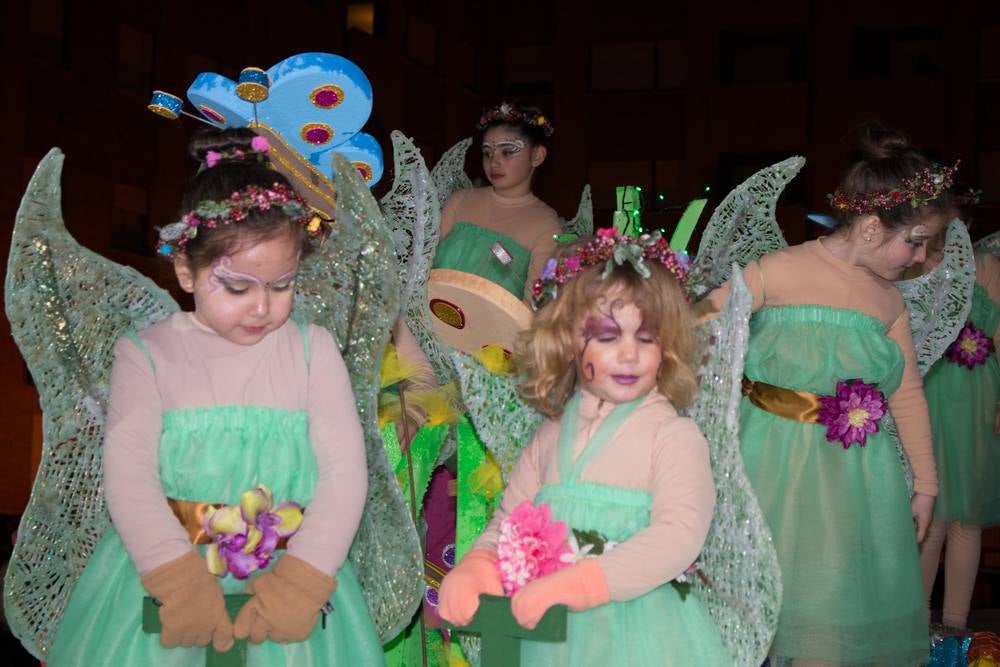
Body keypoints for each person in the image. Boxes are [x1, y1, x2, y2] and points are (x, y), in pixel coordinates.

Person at [46, 129, 384, 666]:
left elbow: (345, 472)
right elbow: (129, 476)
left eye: (282, 285)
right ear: (186, 271)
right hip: (167, 579)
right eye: (236, 287)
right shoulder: (146, 354)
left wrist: (304, 578)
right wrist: (175, 577)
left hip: (288, 584)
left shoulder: (312, 350)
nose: (261, 307)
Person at [699, 124, 950, 665]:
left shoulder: (889, 304)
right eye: (915, 240)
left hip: (853, 480)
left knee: (831, 599)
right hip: (765, 460)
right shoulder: (777, 271)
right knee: (755, 591)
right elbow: (702, 324)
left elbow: (906, 395)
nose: (920, 257)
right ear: (869, 227)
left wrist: (926, 484)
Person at [438, 230, 731, 665]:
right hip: (551, 637)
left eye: (646, 338)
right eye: (609, 336)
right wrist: (480, 563)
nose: (630, 355)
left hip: (640, 634)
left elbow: (679, 536)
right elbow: (510, 521)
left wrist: (582, 584)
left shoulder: (672, 437)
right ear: (570, 340)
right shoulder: (549, 438)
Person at [917, 190, 1000, 633]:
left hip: (975, 400)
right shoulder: (912, 269)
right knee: (931, 515)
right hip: (928, 395)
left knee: (966, 517)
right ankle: (917, 620)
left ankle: (954, 623)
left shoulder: (987, 268)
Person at [433, 101, 561, 302]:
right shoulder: (461, 200)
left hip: (495, 332)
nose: (494, 162)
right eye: (487, 153)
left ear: (537, 155)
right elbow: (422, 266)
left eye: (507, 151)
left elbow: (534, 304)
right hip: (430, 320)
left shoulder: (545, 223)